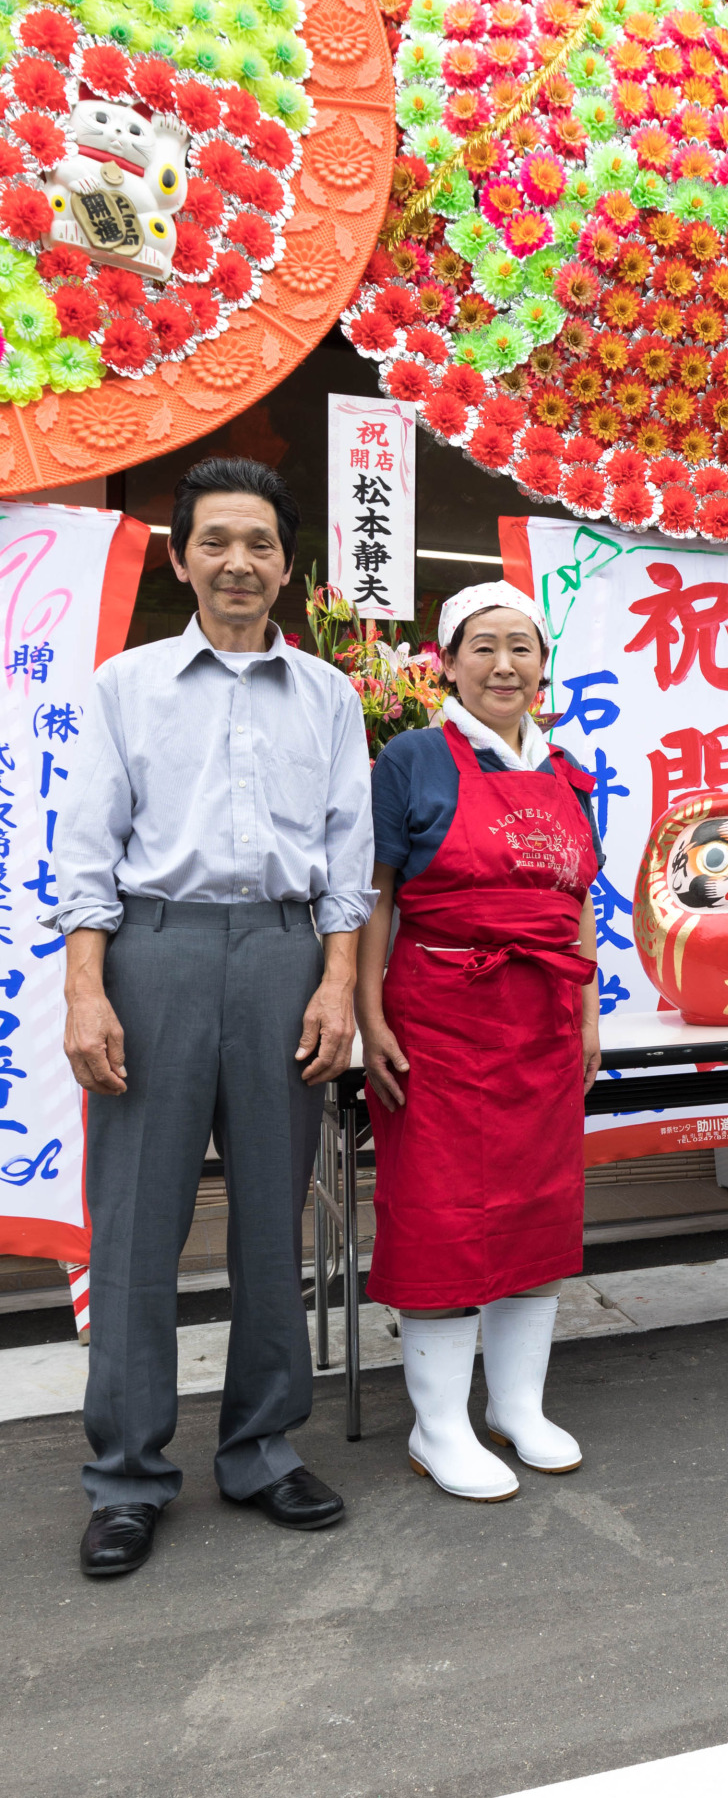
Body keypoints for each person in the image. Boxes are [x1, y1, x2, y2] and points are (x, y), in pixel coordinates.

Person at [57, 457, 376, 1578]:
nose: (239, 562)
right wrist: (86, 987)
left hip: (287, 956)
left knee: (272, 1217)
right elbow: (87, 848)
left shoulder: (330, 695)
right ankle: (127, 1475)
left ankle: (260, 1447)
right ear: (181, 557)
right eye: (216, 542)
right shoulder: (126, 685)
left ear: (287, 566)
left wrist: (337, 982)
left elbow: (348, 855)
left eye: (260, 544)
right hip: (157, 951)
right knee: (137, 1224)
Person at [358, 581, 602, 1500]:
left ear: (543, 665)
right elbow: (376, 896)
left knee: (539, 1209)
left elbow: (577, 903)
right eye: (483, 646)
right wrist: (370, 1013)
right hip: (440, 1019)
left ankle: (517, 1404)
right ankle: (438, 1425)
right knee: (443, 1216)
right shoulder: (411, 759)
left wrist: (588, 1015)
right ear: (449, 663)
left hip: (542, 1021)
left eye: (521, 647)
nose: (505, 665)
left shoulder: (568, 770)